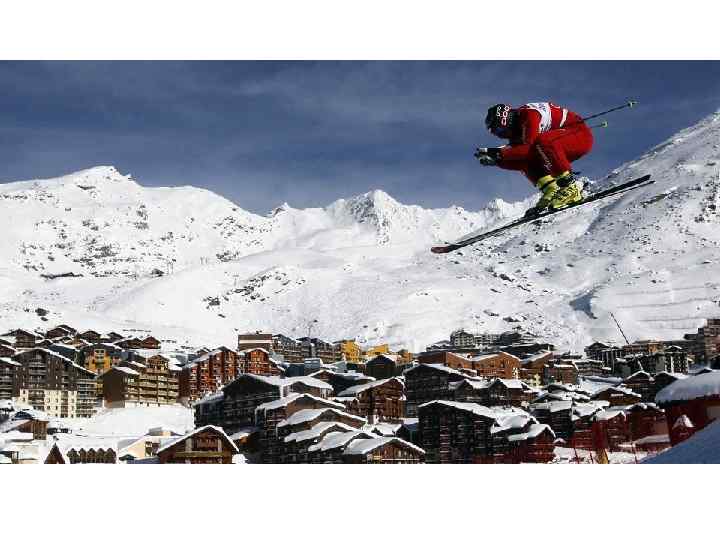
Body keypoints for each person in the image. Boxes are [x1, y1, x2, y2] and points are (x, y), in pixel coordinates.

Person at [475, 102, 594, 216]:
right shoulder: (517, 131)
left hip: (579, 136)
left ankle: (570, 187)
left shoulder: (529, 115)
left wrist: (498, 153)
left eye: (499, 130)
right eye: (495, 133)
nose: (500, 135)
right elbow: (521, 157)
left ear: (506, 120)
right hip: (558, 146)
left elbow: (527, 148)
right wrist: (498, 161)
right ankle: (552, 189)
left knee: (542, 142)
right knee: (523, 156)